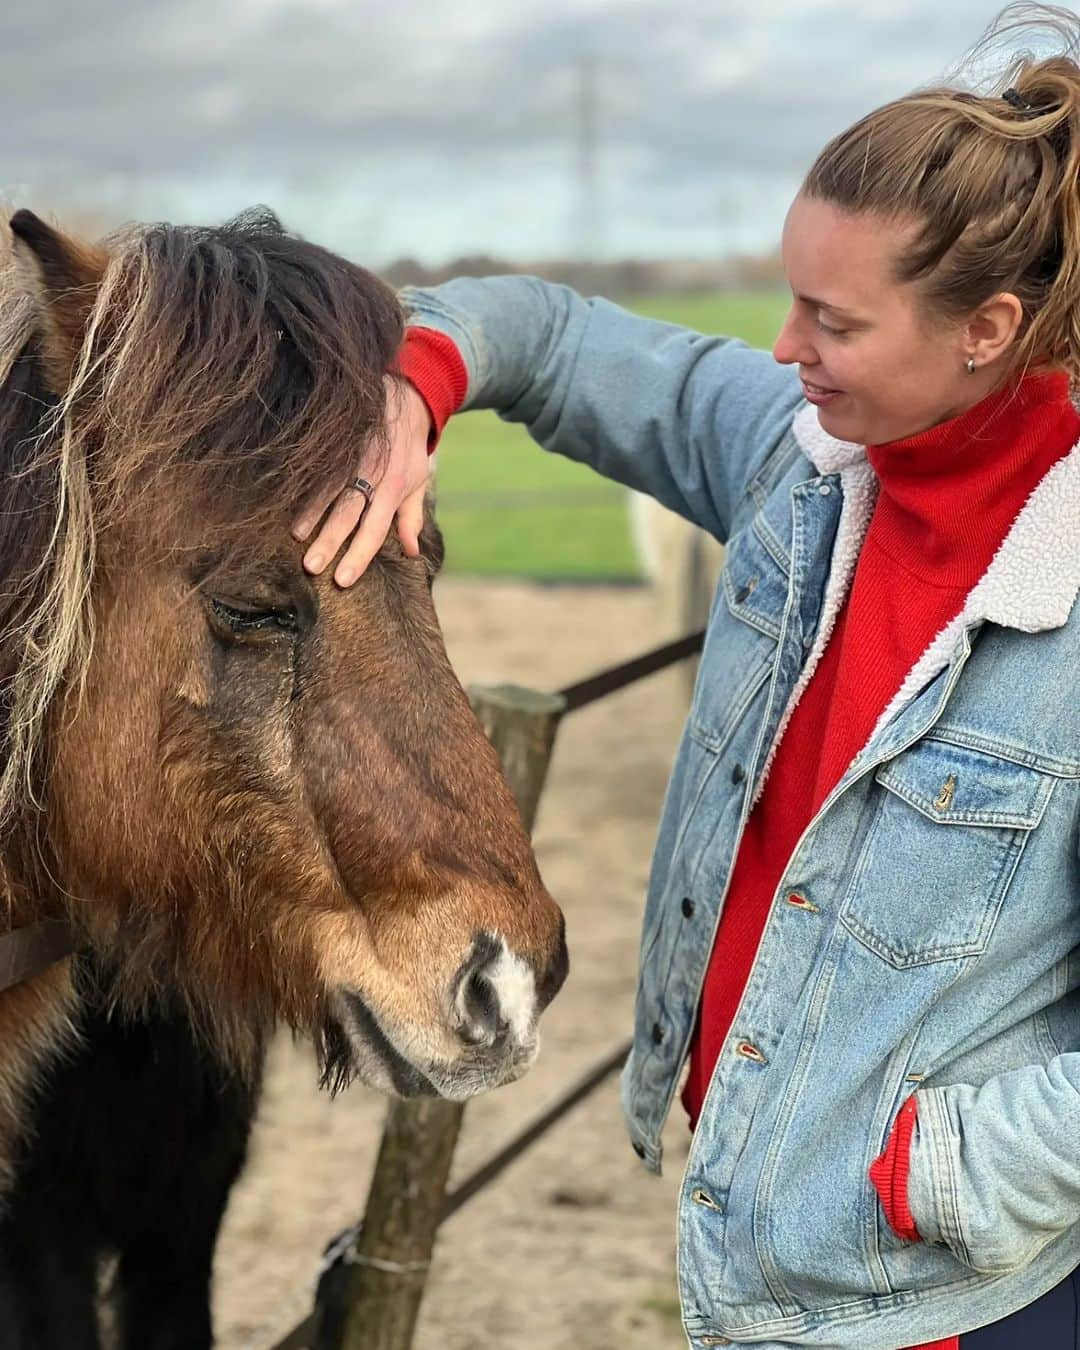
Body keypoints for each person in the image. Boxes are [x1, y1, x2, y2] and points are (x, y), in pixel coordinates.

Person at [293, 10, 1080, 1347]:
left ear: (986, 329)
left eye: (832, 319)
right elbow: (543, 334)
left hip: (937, 1297)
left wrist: (935, 1173)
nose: (783, 347)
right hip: (748, 1230)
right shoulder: (797, 461)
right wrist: (411, 390)